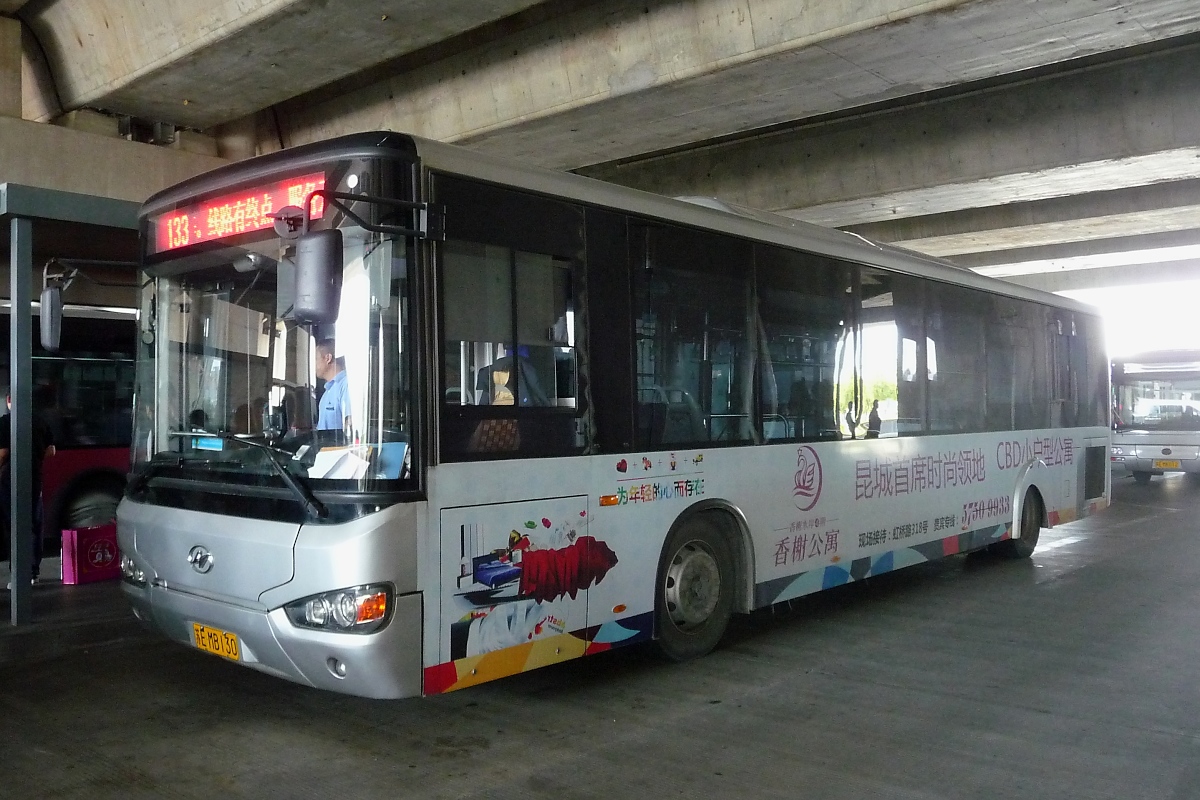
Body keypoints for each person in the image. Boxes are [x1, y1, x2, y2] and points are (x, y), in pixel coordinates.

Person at [0, 388, 56, 585]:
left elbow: (3, 453)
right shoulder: (39, 421)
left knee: (13, 527)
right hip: (35, 480)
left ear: (9, 400)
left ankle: (18, 575)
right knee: (34, 525)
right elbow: (51, 451)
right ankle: (33, 572)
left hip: (11, 483)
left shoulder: (6, 422)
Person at [315, 339, 351, 433]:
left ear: (328, 358)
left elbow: (350, 427)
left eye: (316, 359)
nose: (314, 364)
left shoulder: (346, 385)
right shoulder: (327, 392)